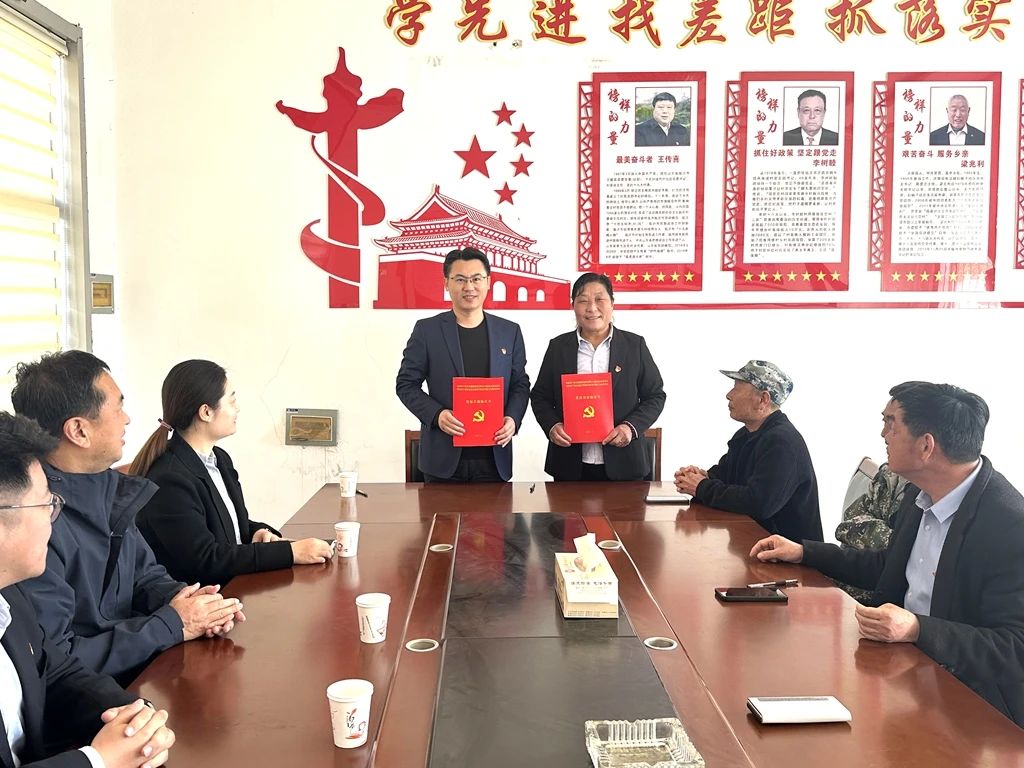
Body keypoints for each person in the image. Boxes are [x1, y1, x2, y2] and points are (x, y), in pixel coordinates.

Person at [750, 382, 1024, 727]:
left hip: (971, 706)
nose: (883, 434)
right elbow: (889, 567)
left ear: (926, 446)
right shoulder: (919, 495)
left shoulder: (1010, 525)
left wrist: (918, 628)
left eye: (891, 423)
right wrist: (805, 551)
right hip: (904, 670)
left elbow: (1015, 647)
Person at [11, 351, 243, 684]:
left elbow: (144, 576)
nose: (128, 419)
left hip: (137, 672)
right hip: (91, 697)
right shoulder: (35, 519)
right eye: (118, 408)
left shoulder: (107, 488)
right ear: (78, 431)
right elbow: (58, 659)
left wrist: (189, 602)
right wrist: (173, 624)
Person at [0, 411, 176, 768]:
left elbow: (55, 671)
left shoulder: (10, 595)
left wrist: (133, 717)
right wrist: (97, 761)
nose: (54, 518)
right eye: (47, 504)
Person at [129, 360, 332, 586]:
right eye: (232, 401)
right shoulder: (169, 479)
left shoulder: (220, 459)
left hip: (233, 585)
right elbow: (207, 559)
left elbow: (230, 527)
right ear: (206, 412)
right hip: (205, 597)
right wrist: (290, 552)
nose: (237, 409)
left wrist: (256, 533)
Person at [396, 247, 530, 482]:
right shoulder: (427, 330)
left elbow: (520, 383)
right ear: (446, 284)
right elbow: (406, 384)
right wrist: (437, 415)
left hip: (494, 457)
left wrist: (512, 418)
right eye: (460, 279)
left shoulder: (509, 332)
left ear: (488, 282)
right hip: (442, 460)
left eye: (476, 279)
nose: (469, 287)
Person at [530, 273, 666, 481]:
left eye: (599, 299)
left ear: (612, 303)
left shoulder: (634, 346)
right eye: (583, 300)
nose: (591, 308)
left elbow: (655, 396)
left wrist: (629, 428)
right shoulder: (558, 347)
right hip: (570, 464)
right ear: (573, 306)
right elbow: (540, 396)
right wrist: (552, 425)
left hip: (625, 465)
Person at [674, 360, 823, 542]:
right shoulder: (746, 434)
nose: (728, 395)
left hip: (787, 554)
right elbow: (726, 476)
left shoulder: (781, 442)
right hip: (754, 541)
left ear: (763, 399)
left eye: (737, 388)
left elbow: (759, 503)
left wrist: (702, 487)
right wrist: (702, 477)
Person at [834, 462, 906, 602]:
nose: (884, 438)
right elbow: (847, 524)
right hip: (847, 574)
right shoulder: (888, 474)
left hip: (880, 599)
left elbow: (901, 553)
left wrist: (865, 530)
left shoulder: (931, 492)